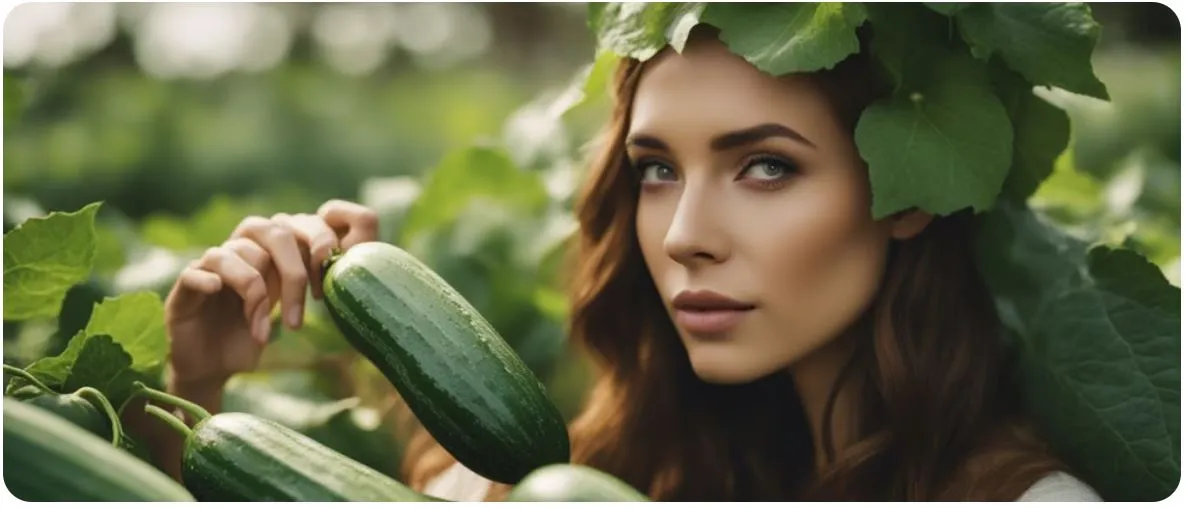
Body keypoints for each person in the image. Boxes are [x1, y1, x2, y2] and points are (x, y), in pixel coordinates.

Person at [131, 26, 1103, 502]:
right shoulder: (640, 461)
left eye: (764, 165)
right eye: (652, 170)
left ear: (908, 192)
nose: (683, 232)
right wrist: (202, 387)